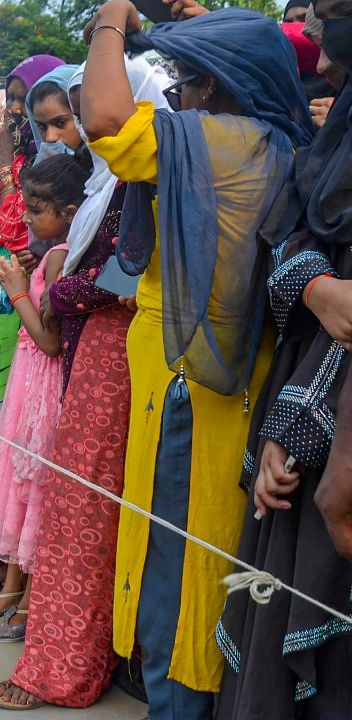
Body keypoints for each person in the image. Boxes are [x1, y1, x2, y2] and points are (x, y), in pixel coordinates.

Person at [81, 3, 313, 715]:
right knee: (207, 549)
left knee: (177, 558)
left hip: (195, 388)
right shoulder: (277, 142)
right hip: (234, 382)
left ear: (212, 88)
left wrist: (111, 23)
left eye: (184, 80)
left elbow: (107, 122)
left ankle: (173, 703)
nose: (173, 95)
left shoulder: (216, 142)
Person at [0, 57, 157, 711]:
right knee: (88, 509)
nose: (82, 126)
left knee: (84, 515)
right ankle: (84, 652)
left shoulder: (136, 180)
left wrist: (59, 285)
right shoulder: (105, 181)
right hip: (98, 360)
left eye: (84, 110)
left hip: (115, 362)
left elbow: (125, 275)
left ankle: (63, 667)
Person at [217, 3, 352, 716]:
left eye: (332, 20)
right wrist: (319, 286)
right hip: (314, 399)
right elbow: (300, 232)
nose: (319, 52)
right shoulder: (333, 140)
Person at [0, 154, 82, 639]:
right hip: (27, 382)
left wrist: (17, 291)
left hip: (42, 381)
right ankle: (12, 587)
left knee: (34, 488)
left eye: (37, 210)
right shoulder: (51, 253)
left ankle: (29, 600)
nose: (28, 219)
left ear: (71, 212)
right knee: (18, 485)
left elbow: (51, 340)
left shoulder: (60, 257)